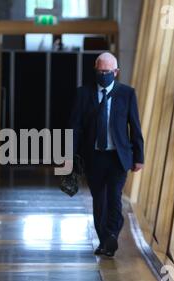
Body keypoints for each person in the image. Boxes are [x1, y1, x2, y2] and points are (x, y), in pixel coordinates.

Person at [70, 52, 144, 257]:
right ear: (95, 70)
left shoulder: (127, 94)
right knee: (99, 200)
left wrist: (139, 157)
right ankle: (105, 240)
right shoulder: (83, 94)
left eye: (107, 71)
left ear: (116, 72)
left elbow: (135, 126)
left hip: (118, 157)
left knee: (114, 197)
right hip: (94, 157)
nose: (103, 75)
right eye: (100, 71)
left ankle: (111, 233)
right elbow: (75, 127)